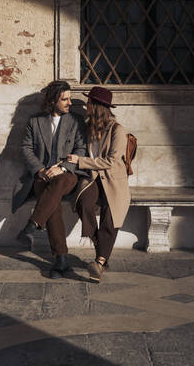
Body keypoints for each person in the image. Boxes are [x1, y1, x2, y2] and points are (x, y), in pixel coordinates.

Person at [12, 80, 86, 278]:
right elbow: (25, 148)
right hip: (42, 176)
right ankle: (61, 260)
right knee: (51, 201)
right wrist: (40, 169)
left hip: (68, 175)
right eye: (65, 99)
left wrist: (61, 167)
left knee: (58, 184)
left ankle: (33, 224)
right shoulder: (35, 121)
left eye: (70, 98)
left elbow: (81, 149)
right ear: (53, 100)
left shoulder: (75, 121)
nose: (70, 103)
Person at [67, 86, 131, 282]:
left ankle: (100, 262)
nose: (86, 106)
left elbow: (112, 162)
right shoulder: (88, 128)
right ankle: (101, 250)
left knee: (109, 221)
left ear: (97, 106)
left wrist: (80, 161)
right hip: (93, 178)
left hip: (114, 181)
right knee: (83, 203)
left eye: (89, 103)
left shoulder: (118, 130)